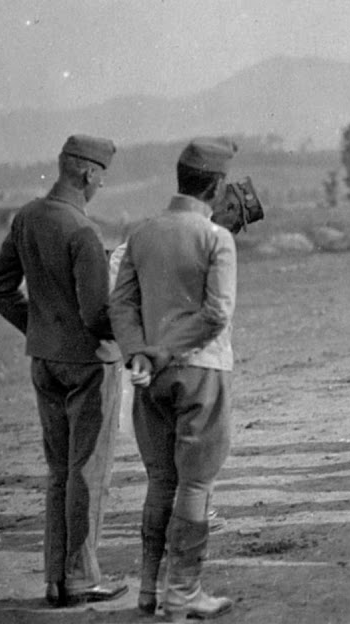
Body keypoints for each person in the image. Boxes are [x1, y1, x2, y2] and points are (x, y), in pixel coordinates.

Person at [0, 134, 128, 608]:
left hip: (44, 362)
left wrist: (40, 328)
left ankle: (56, 579)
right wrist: (136, 336)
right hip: (90, 366)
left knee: (60, 471)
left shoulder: (27, 217)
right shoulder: (83, 231)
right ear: (87, 173)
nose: (101, 185)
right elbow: (97, 315)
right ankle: (81, 579)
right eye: (101, 177)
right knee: (89, 473)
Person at [110, 138, 240, 619]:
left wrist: (139, 355)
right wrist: (166, 350)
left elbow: (120, 305)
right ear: (217, 185)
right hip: (202, 370)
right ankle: (183, 592)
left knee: (161, 480)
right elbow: (217, 314)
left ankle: (149, 588)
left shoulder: (141, 234)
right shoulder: (216, 238)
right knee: (195, 484)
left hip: (150, 377)